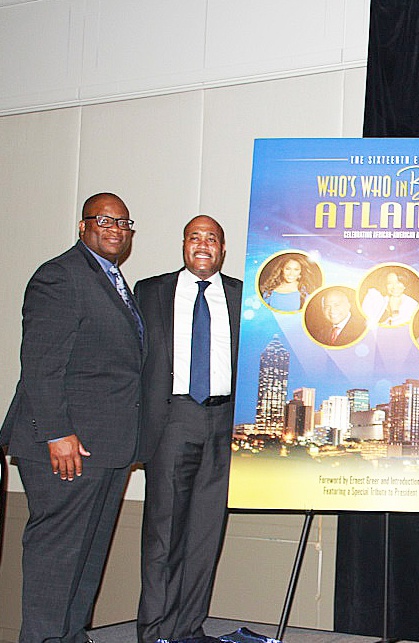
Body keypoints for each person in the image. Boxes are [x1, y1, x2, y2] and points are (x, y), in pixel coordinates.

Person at [0, 193, 144, 643]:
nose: (115, 228)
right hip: (66, 448)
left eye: (123, 222)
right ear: (82, 227)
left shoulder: (113, 281)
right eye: (104, 220)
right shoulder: (60, 276)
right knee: (56, 560)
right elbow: (41, 363)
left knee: (85, 560)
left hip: (105, 449)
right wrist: (57, 433)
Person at [134, 216, 242, 643]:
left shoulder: (241, 294)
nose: (203, 245)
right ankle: (155, 631)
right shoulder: (150, 291)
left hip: (224, 425)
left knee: (205, 534)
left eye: (211, 238)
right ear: (183, 244)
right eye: (195, 238)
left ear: (222, 248)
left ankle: (188, 628)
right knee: (163, 533)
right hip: (172, 419)